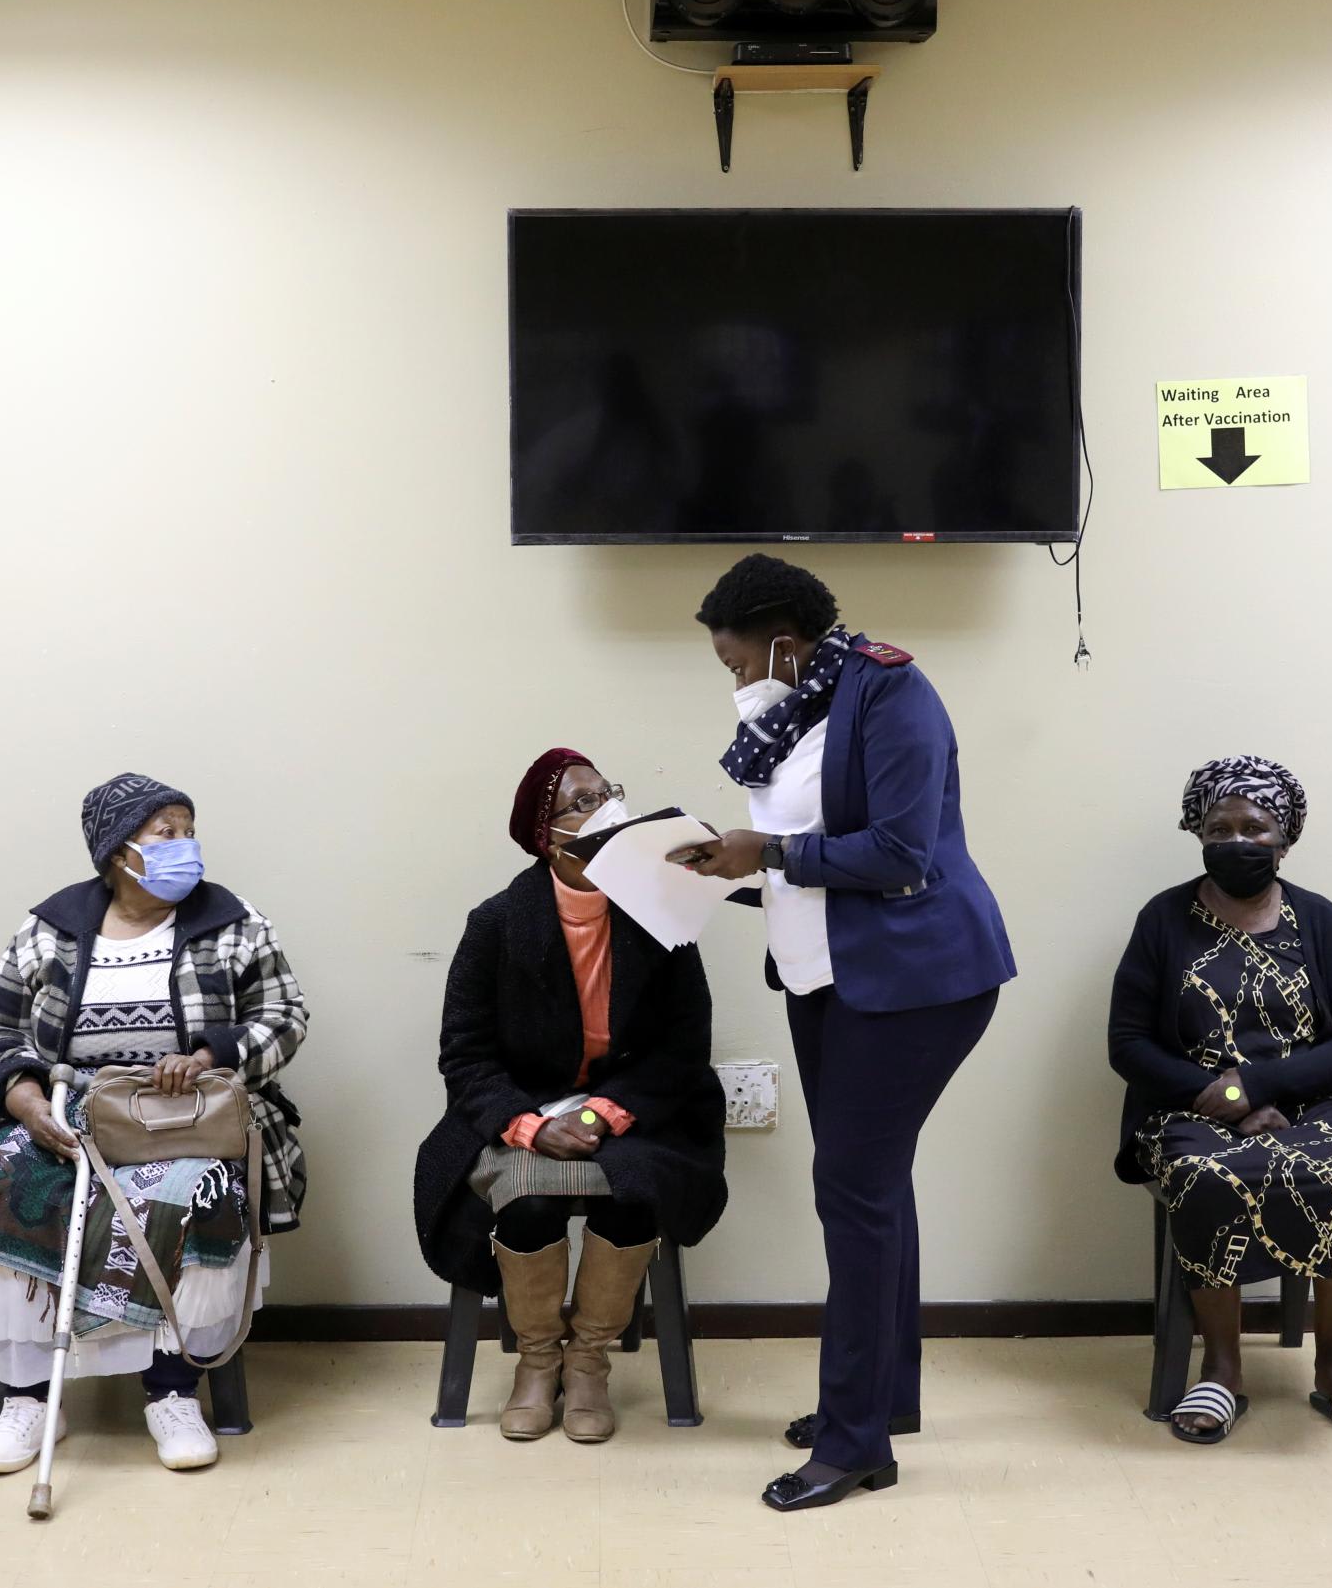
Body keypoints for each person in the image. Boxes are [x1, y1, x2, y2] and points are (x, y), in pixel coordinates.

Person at [669, 554, 1014, 1511]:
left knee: (850, 1190)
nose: (737, 681)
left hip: (917, 979)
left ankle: (854, 1442)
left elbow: (900, 853)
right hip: (827, 975)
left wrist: (767, 852)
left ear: (787, 639)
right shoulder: (793, 710)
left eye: (740, 663)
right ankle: (885, 1397)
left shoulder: (892, 692)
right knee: (873, 1182)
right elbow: (804, 851)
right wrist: (721, 870)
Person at [0, 773, 309, 1475]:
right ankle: (29, 1398)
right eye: (167, 833)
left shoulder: (234, 923)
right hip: (69, 1112)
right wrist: (24, 1100)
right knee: (9, 1180)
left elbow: (286, 1016)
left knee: (199, 1192)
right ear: (119, 852)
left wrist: (214, 1053)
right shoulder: (49, 928)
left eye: (189, 829)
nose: (186, 845)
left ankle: (173, 1388)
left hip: (190, 1115)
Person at [413, 748, 728, 1443]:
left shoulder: (659, 909)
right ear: (544, 836)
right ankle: (537, 1361)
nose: (606, 808)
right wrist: (527, 1124)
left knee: (637, 1186)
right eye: (581, 802)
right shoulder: (496, 923)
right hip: (523, 1109)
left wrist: (599, 1112)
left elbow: (683, 1047)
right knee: (526, 1198)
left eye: (608, 791)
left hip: (640, 1110)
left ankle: (588, 1363)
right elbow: (464, 1054)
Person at [1105, 757, 1332, 1446]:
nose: (1237, 839)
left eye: (1255, 827)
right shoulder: (1163, 918)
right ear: (1199, 834)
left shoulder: (1321, 920)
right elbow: (1127, 1043)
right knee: (1204, 1174)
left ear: (1285, 837)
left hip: (1311, 1103)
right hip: (1190, 1104)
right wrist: (1225, 1102)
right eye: (1220, 827)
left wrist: (1256, 1088)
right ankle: (1222, 1368)